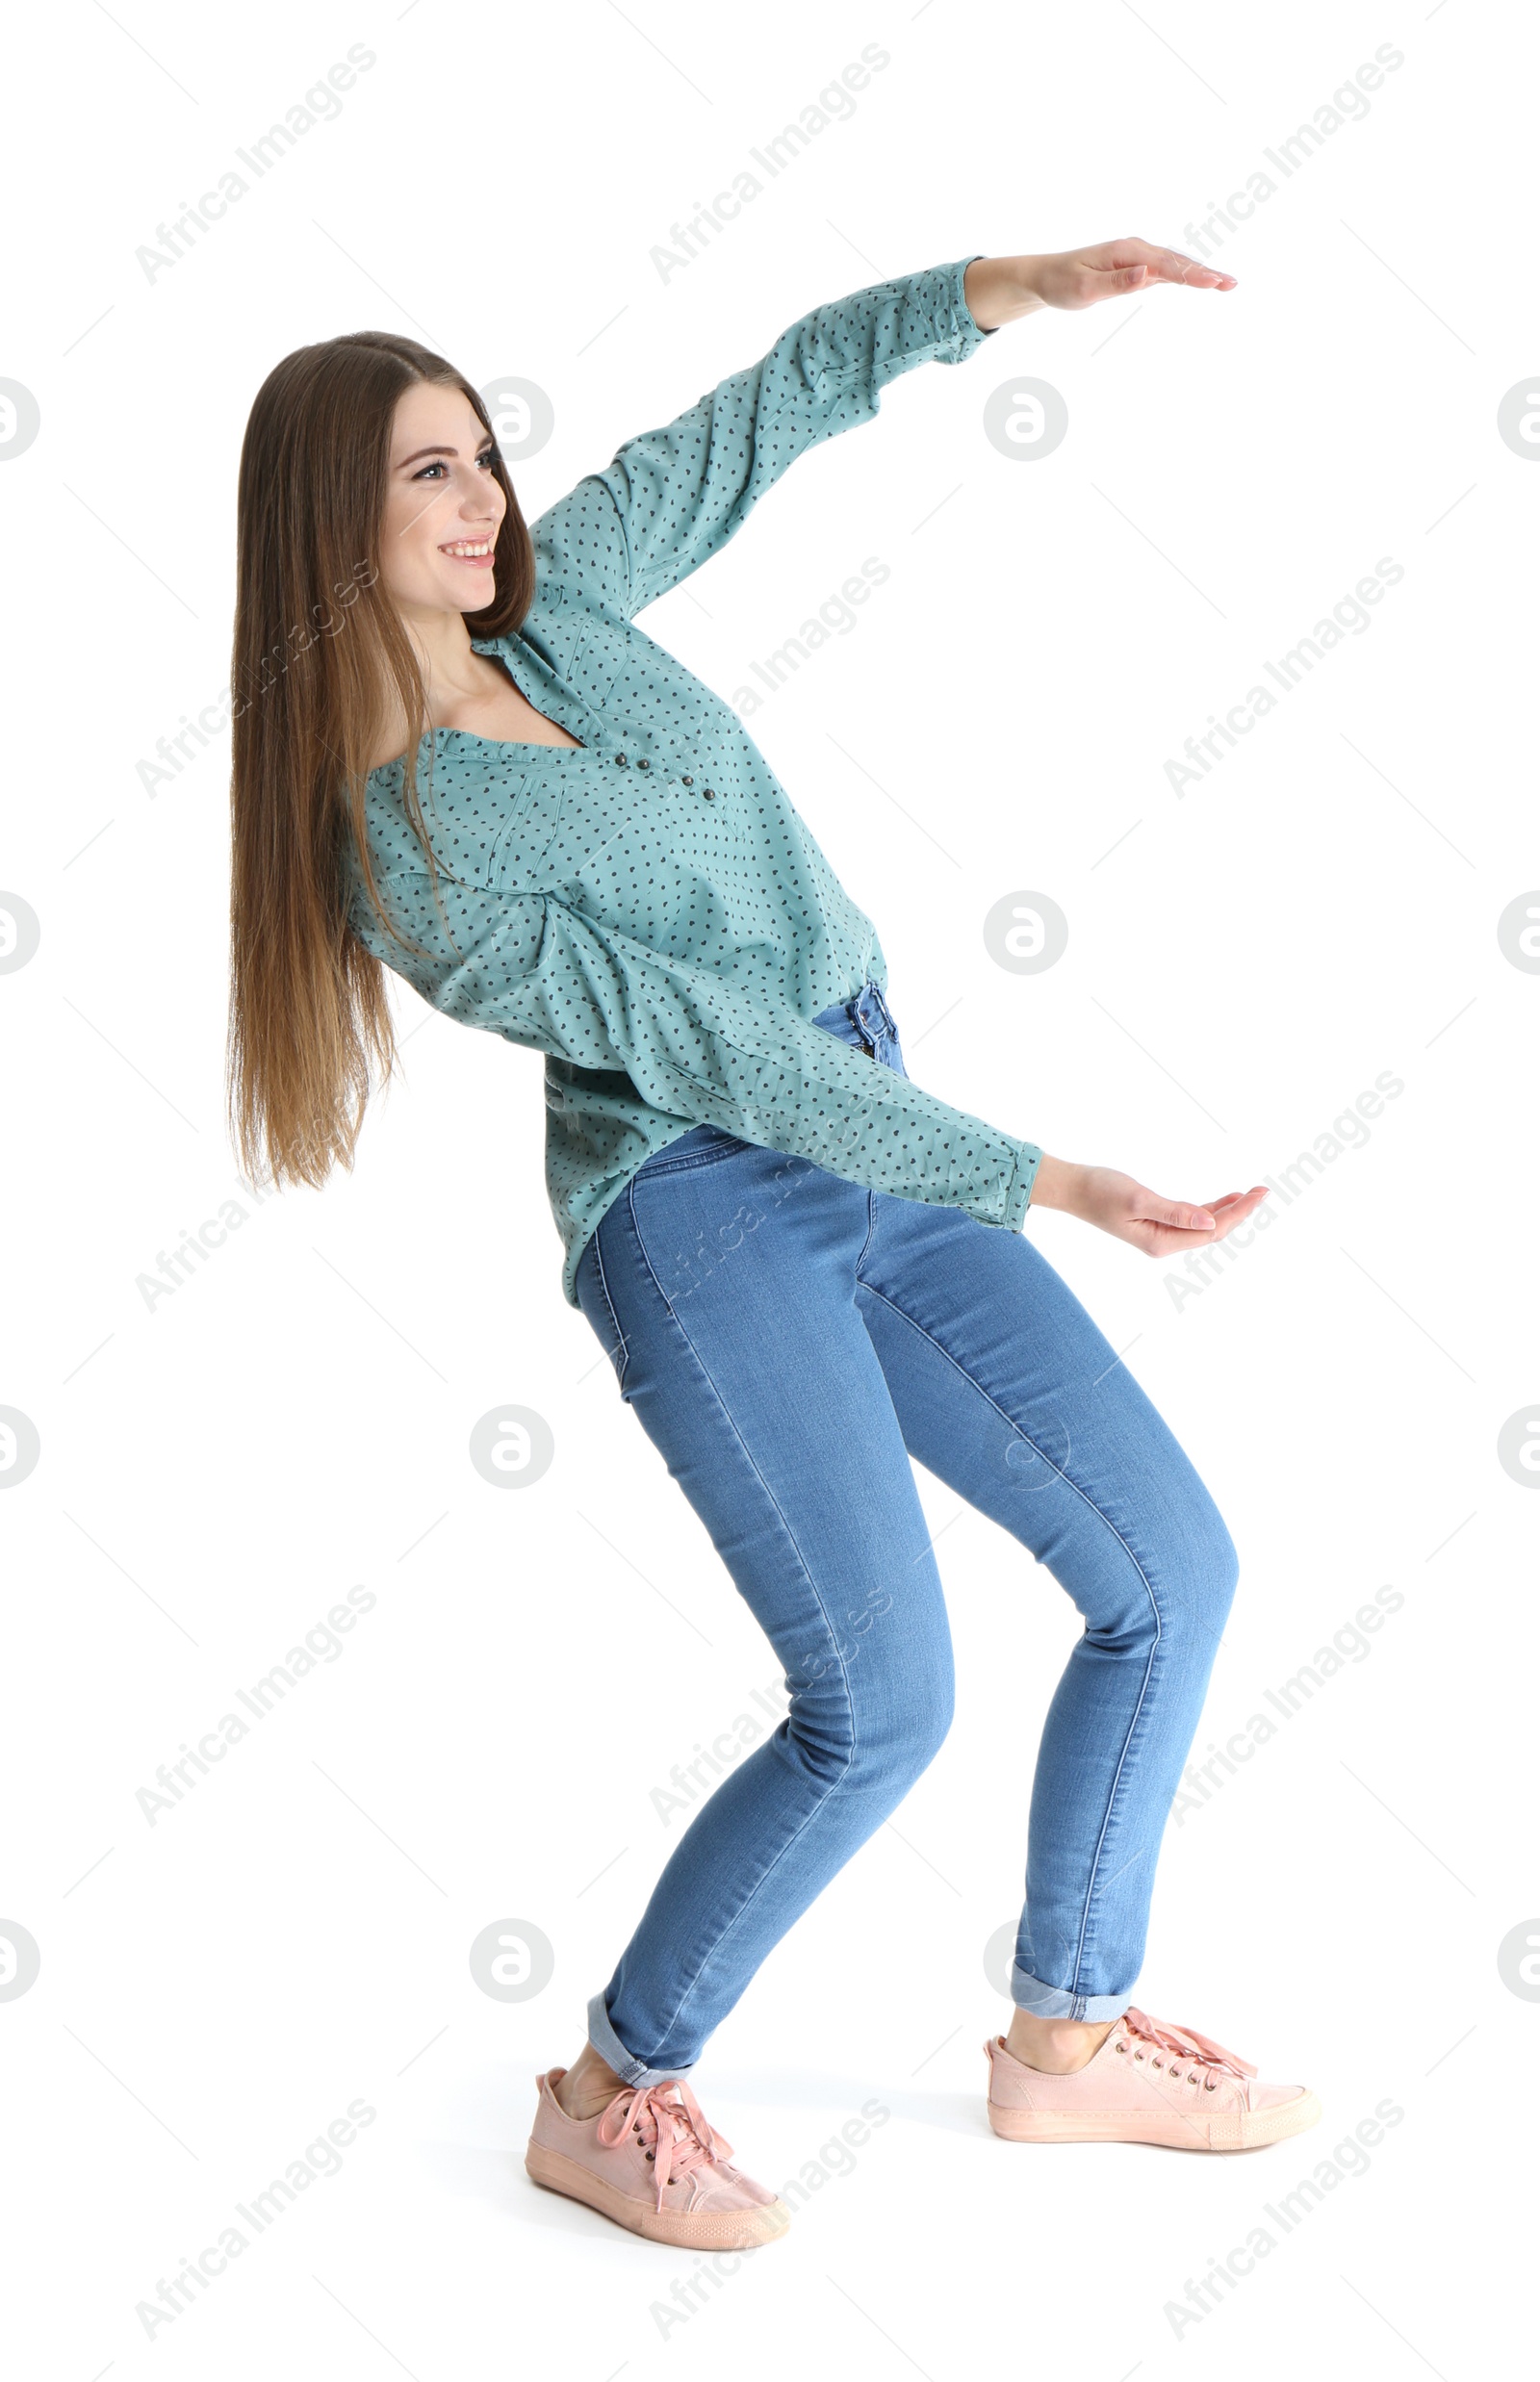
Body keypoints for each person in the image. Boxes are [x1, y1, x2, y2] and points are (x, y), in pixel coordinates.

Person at [226, 238, 1320, 2253]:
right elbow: (718, 1058)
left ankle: (1062, 2042)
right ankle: (609, 2083)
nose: (483, 506)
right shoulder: (406, 848)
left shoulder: (565, 605)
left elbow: (763, 409)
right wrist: (1043, 1174)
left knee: (1165, 1566)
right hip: (696, 1206)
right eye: (427, 477)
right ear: (325, 520)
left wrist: (1001, 284)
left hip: (872, 1123)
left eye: (481, 455)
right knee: (880, 1697)